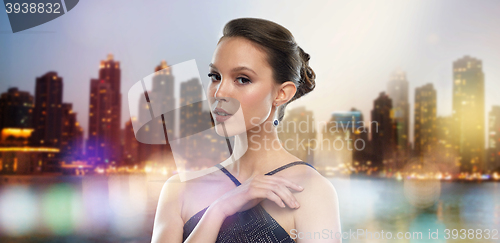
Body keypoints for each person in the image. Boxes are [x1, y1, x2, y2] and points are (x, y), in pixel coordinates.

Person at [151, 17, 341, 243]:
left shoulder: (310, 191)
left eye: (242, 79)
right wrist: (220, 209)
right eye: (215, 77)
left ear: (282, 94)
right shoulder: (178, 190)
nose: (220, 92)